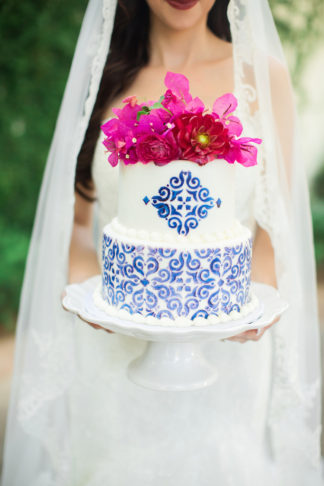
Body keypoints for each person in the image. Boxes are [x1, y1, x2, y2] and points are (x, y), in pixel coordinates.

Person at [1, 1, 322, 485]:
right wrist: (97, 299)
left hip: (229, 361)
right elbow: (77, 226)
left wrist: (246, 305)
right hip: (112, 364)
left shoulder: (262, 77)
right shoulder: (104, 79)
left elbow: (274, 231)